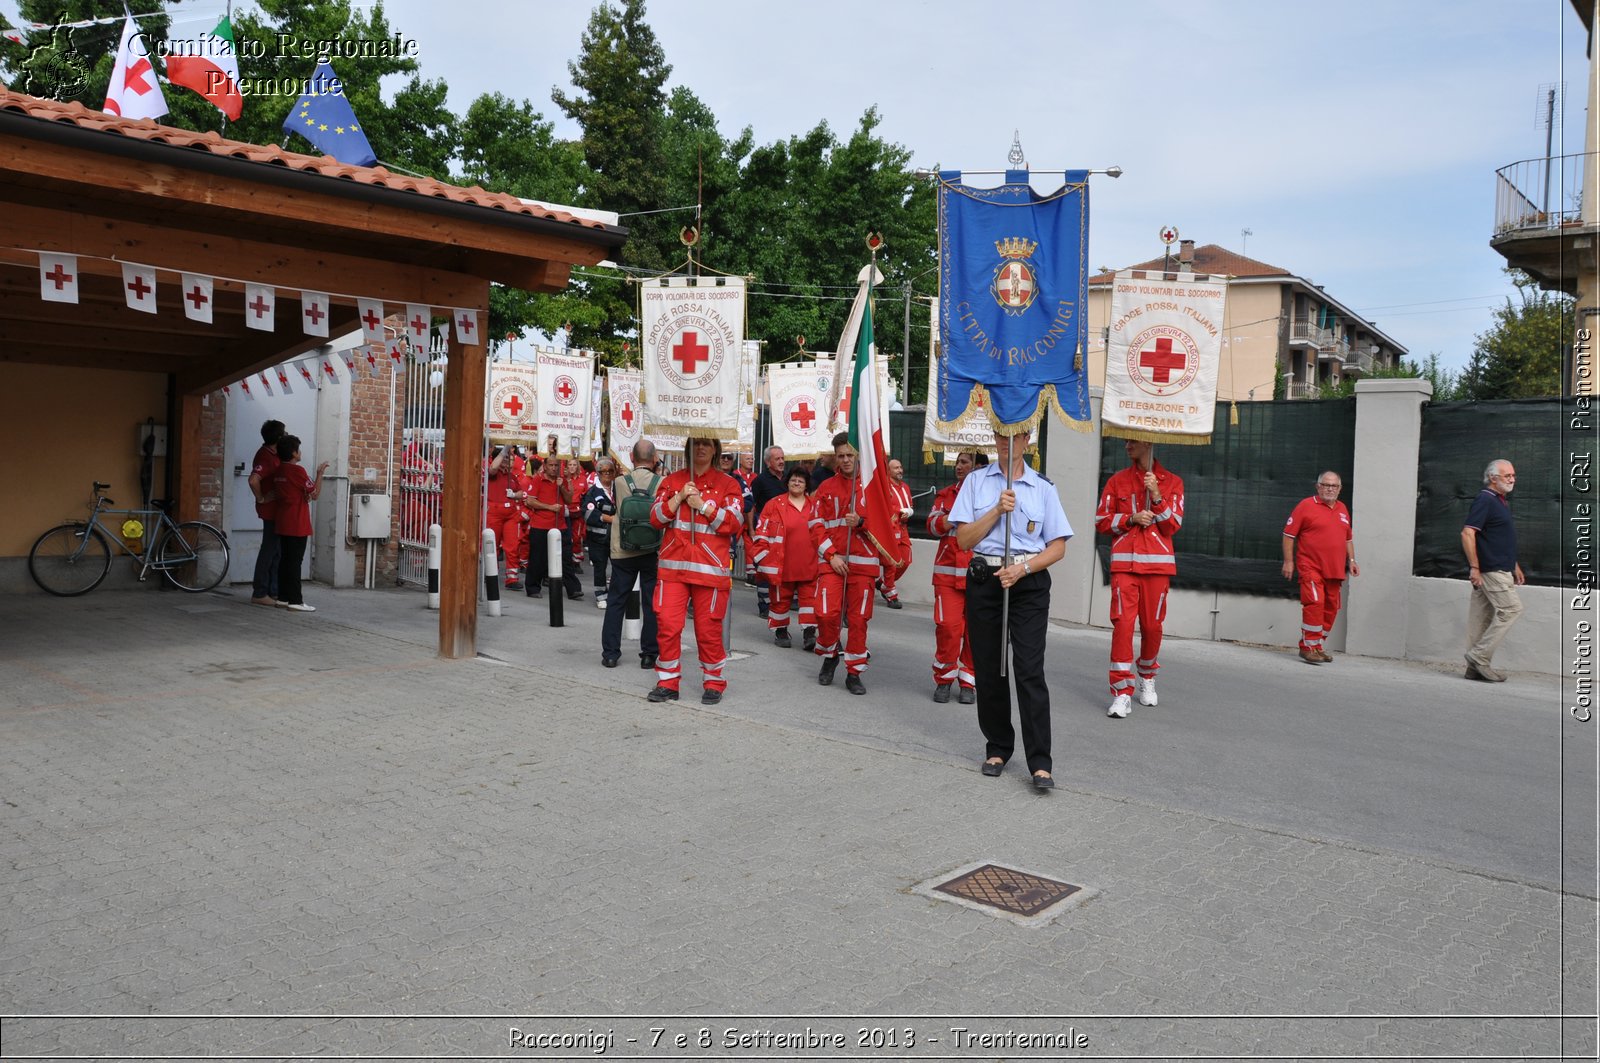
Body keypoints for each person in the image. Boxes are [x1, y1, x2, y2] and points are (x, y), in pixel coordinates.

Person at [951, 430, 1070, 791]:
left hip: (1027, 581)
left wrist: (1023, 568)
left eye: (1015, 436)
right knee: (989, 668)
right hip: (985, 578)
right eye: (1001, 436)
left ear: (1028, 440)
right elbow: (962, 539)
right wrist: (995, 510)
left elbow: (1058, 546)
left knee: (1029, 668)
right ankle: (998, 747)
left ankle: (1040, 762)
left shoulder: (1042, 487)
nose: (1007, 442)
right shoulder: (975, 482)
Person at [647, 437, 745, 705]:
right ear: (687, 449)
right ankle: (667, 681)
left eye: (706, 444)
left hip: (710, 572)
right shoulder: (671, 481)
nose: (700, 448)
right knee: (667, 626)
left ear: (715, 450)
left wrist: (702, 505)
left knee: (708, 631)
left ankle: (713, 682)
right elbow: (655, 519)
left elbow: (734, 523)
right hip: (673, 571)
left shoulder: (729, 484)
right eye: (695, 444)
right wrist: (679, 497)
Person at [1095, 438, 1184, 719]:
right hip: (1124, 566)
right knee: (1122, 625)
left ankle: (1147, 675)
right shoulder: (1117, 481)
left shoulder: (1172, 481)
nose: (1126, 445)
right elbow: (1100, 521)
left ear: (1148, 443)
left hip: (1157, 569)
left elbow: (1173, 526)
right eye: (1125, 440)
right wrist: (1130, 518)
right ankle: (1122, 692)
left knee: (1153, 626)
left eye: (1133, 441)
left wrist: (1157, 496)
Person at [808, 432, 880, 695]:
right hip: (833, 561)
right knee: (826, 613)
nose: (846, 460)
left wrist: (862, 523)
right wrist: (831, 556)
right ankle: (831, 654)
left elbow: (888, 525)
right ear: (835, 457)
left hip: (864, 564)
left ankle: (854, 672)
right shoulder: (826, 487)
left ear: (858, 455)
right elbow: (815, 525)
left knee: (859, 620)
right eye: (841, 456)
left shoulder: (874, 486)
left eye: (850, 455)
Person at [1282, 471, 1359, 665]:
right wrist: (1289, 561)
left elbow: (1348, 538)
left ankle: (1317, 646)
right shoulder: (1305, 506)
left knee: (1331, 607)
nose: (1330, 489)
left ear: (1340, 489)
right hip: (1310, 566)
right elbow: (1288, 535)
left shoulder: (1342, 508)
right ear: (1318, 486)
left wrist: (1352, 560)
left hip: (1335, 570)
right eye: (1326, 485)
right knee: (1315, 603)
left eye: (1334, 486)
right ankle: (1307, 648)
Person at [601, 440, 663, 671]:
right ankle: (649, 654)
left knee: (616, 601)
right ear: (655, 457)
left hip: (622, 549)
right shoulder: (661, 483)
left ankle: (610, 654)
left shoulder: (618, 482)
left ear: (631, 456)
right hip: (652, 549)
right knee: (650, 603)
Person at [1461, 459, 1525, 682]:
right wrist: (1475, 568)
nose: (1512, 479)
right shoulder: (1485, 499)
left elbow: (1498, 537)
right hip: (1490, 570)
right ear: (1492, 478)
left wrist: (1514, 565)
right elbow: (1468, 533)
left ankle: (1473, 669)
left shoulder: (1500, 501)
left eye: (1513, 475)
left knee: (1481, 617)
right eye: (1507, 476)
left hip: (1500, 567)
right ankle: (1479, 657)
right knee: (1511, 609)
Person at [927, 450, 978, 703]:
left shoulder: (992, 496)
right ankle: (944, 678)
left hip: (980, 577)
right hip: (947, 575)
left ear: (977, 466)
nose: (958, 466)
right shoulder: (946, 495)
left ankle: (968, 680)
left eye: (964, 462)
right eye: (957, 462)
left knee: (975, 632)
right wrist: (952, 515)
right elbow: (933, 527)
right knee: (948, 628)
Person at [752, 465, 819, 650]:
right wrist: (762, 557)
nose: (796, 483)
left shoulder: (815, 506)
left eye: (801, 480)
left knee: (810, 602)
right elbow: (762, 532)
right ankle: (781, 631)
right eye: (793, 479)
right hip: (782, 563)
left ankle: (809, 634)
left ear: (806, 486)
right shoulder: (773, 504)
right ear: (787, 482)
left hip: (810, 564)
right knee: (780, 600)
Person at [270, 434, 328, 613]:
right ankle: (296, 600)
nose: (300, 453)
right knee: (295, 562)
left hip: (283, 521)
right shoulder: (298, 471)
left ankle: (283, 597)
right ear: (294, 453)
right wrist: (320, 474)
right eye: (299, 450)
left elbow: (294, 493)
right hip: (297, 522)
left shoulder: (279, 470)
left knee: (285, 561)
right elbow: (315, 493)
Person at [523, 453, 583, 600]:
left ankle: (573, 589)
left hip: (560, 525)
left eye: (556, 465)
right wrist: (549, 507)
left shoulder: (563, 481)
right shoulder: (538, 480)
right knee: (538, 559)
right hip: (541, 525)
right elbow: (530, 501)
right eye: (551, 465)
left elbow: (569, 500)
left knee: (566, 559)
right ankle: (532, 588)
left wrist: (561, 486)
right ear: (545, 466)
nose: (554, 468)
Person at [247, 419, 286, 606]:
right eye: (284, 433)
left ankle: (273, 591)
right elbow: (254, 479)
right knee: (269, 551)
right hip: (270, 511)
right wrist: (261, 497)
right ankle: (260, 592)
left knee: (276, 552)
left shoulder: (273, 454)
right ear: (278, 437)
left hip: (276, 511)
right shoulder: (266, 457)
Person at [748, 445, 788, 618]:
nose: (781, 462)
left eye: (782, 458)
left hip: (786, 534)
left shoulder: (788, 479)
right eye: (777, 459)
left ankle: (780, 601)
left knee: (782, 568)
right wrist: (751, 530)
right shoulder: (760, 481)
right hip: (767, 533)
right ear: (767, 462)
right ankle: (764, 604)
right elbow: (750, 506)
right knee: (765, 567)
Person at [486, 445, 527, 589]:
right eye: (504, 459)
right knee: (492, 545)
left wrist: (515, 495)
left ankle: (512, 578)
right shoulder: (493, 474)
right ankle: (490, 574)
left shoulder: (512, 476)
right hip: (494, 514)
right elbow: (493, 468)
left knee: (512, 546)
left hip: (510, 515)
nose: (507, 463)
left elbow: (522, 493)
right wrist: (503, 452)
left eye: (509, 460)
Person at [875, 457, 914, 609]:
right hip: (890, 528)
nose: (900, 470)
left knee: (906, 559)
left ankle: (883, 584)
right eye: (896, 468)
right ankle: (891, 593)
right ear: (888, 471)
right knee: (890, 562)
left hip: (903, 528)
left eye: (900, 467)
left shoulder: (905, 487)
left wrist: (908, 512)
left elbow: (910, 505)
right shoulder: (885, 487)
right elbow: (883, 507)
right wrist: (899, 512)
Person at [582, 457, 619, 608]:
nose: (608, 474)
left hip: (615, 537)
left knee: (617, 566)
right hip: (598, 538)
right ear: (598, 473)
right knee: (600, 567)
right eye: (604, 472)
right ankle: (601, 595)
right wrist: (608, 518)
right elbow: (588, 514)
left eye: (610, 471)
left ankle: (615, 593)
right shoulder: (592, 492)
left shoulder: (618, 489)